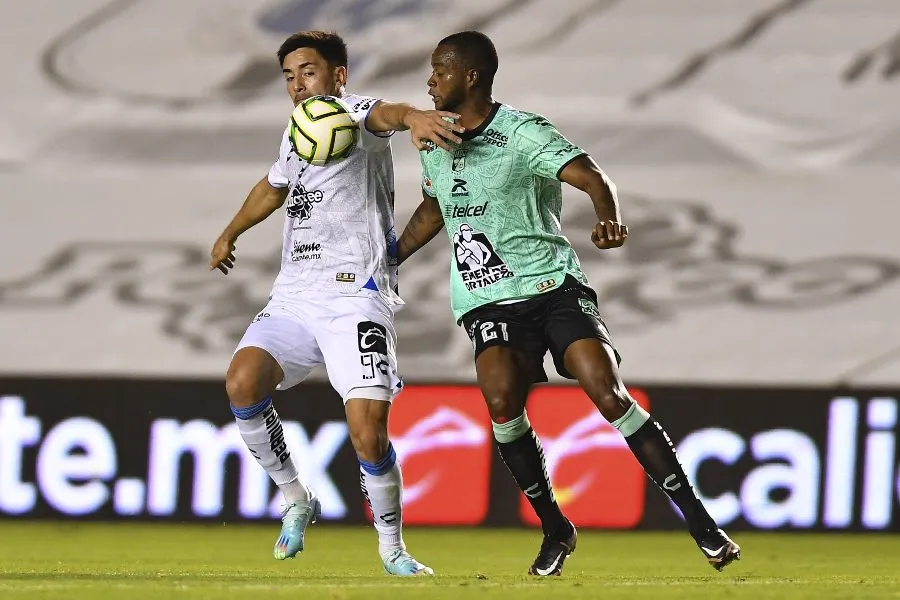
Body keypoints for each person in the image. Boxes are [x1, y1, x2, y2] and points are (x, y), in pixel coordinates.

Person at [396, 30, 741, 577]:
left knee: (606, 392)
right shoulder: (437, 140)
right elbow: (434, 209)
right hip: (487, 298)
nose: (430, 80)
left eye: (440, 70)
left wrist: (608, 213)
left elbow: (588, 173)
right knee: (502, 402)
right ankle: (555, 527)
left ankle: (700, 522)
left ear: (471, 76)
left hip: (553, 286)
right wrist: (391, 257)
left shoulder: (523, 132)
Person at [209, 30, 463, 576]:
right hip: (296, 294)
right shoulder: (296, 134)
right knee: (241, 382)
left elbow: (386, 115)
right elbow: (274, 187)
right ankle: (296, 497)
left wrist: (415, 117)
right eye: (289, 76)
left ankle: (392, 548)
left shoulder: (351, 116)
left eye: (309, 72)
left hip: (356, 297)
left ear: (339, 76)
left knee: (368, 433)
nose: (298, 86)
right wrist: (231, 232)